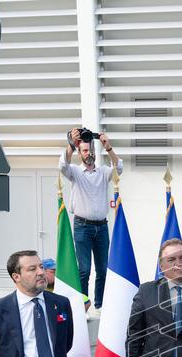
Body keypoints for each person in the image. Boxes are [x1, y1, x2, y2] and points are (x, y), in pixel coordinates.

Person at [59, 128, 122, 317]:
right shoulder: (76, 173)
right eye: (85, 151)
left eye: (91, 150)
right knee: (84, 269)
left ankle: (100, 305)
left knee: (103, 269)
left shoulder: (103, 172)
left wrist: (107, 146)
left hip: (101, 227)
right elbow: (63, 166)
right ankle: (82, 306)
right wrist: (72, 144)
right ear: (80, 153)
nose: (89, 154)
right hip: (82, 227)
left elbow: (118, 168)